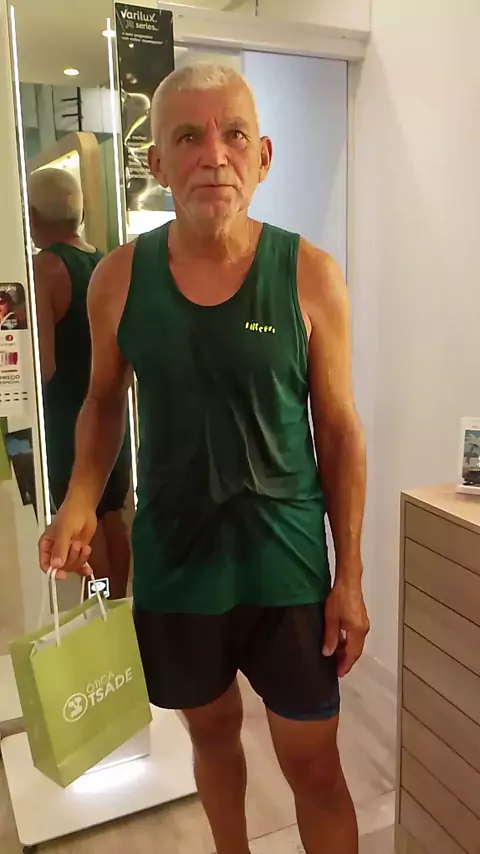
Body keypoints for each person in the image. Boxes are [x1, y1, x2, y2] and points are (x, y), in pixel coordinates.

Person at [38, 63, 369, 854]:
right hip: (178, 566)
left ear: (263, 157)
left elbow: (340, 432)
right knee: (213, 739)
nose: (214, 155)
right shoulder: (118, 279)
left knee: (314, 766)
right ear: (157, 161)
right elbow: (101, 402)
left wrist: (350, 577)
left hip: (287, 569)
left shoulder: (310, 274)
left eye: (234, 135)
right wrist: (80, 497)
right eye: (188, 137)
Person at [30, 167, 131, 599]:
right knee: (111, 515)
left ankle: (101, 606)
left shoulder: (45, 268)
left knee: (80, 524)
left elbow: (43, 364)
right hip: (112, 413)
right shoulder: (105, 263)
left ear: (33, 216)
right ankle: (119, 602)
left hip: (69, 418)